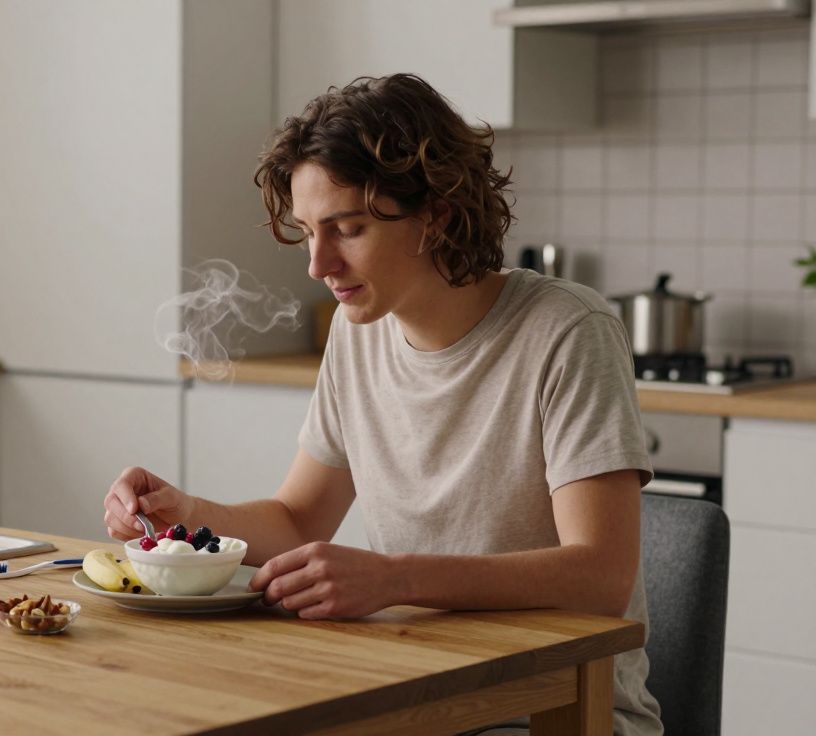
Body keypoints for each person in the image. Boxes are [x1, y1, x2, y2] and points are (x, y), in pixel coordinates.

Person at [101, 74, 661, 736]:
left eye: (348, 228)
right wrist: (187, 516)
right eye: (310, 231)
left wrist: (394, 579)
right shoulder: (356, 332)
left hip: (553, 709)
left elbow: (600, 574)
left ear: (438, 214)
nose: (317, 263)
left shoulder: (566, 330)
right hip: (415, 694)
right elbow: (300, 518)